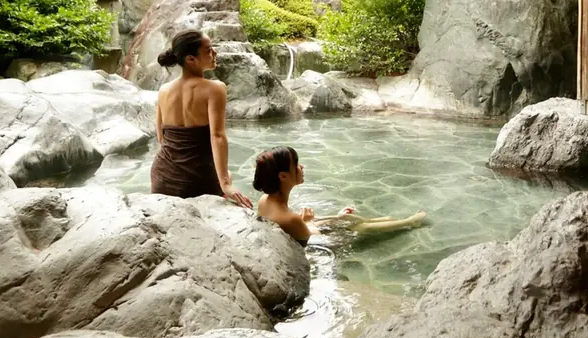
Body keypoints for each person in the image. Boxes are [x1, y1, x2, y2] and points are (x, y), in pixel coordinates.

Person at [150, 29, 252, 209]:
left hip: (162, 178)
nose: (215, 53)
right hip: (196, 180)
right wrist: (225, 184)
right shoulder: (214, 89)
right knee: (228, 174)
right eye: (209, 50)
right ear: (191, 59)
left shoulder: (164, 90)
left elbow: (161, 138)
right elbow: (217, 136)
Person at [253, 146, 426, 245]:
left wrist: (336, 218)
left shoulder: (264, 200)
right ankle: (409, 222)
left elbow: (294, 225)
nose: (302, 166)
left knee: (345, 219)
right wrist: (307, 221)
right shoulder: (291, 219)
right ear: (283, 176)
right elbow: (312, 236)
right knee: (359, 228)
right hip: (314, 243)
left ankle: (387, 219)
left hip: (302, 230)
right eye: (296, 164)